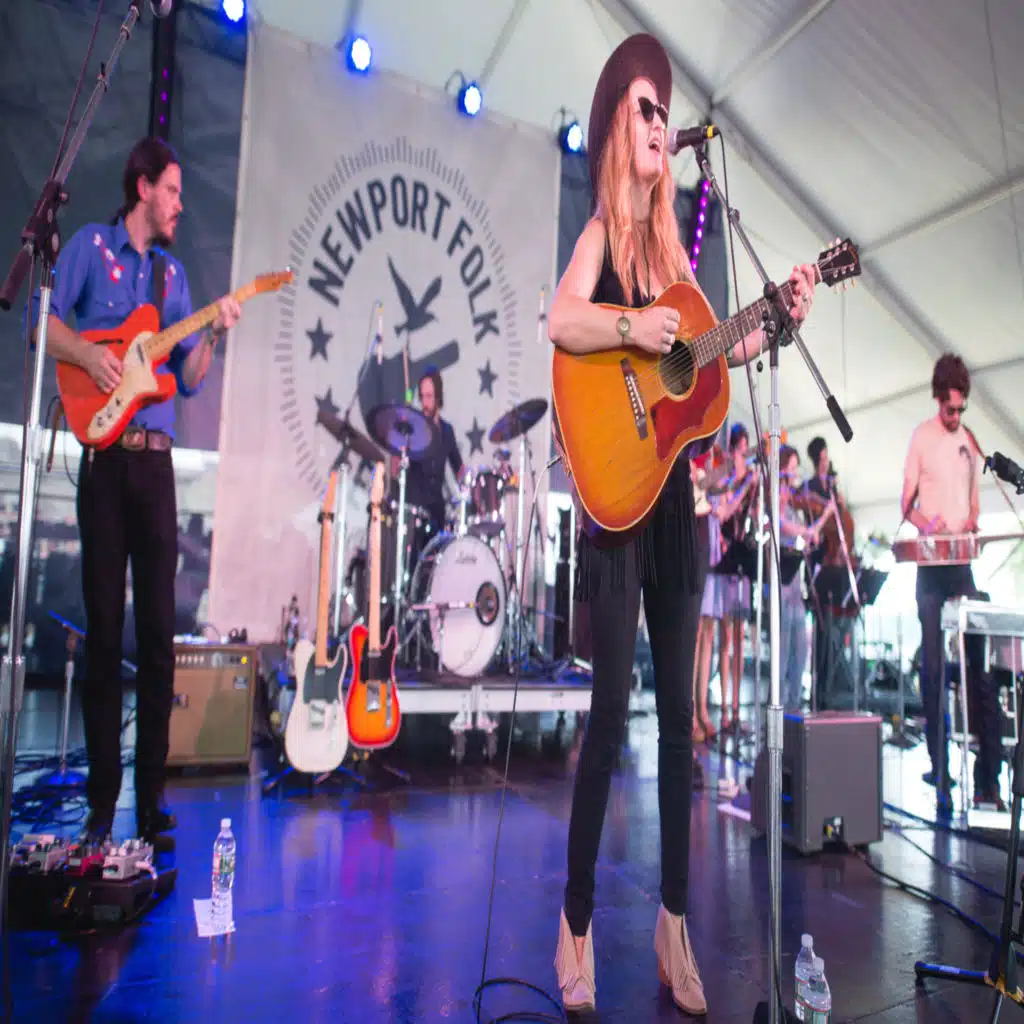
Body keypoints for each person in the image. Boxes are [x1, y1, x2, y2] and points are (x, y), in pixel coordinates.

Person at [547, 33, 816, 1015]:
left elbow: (708, 364)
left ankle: (673, 924)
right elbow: (561, 320)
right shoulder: (603, 241)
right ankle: (573, 920)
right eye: (647, 108)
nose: (662, 123)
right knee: (610, 720)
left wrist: (777, 314)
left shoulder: (683, 258)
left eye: (667, 109)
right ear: (621, 122)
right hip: (615, 512)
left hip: (679, 516)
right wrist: (632, 326)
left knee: (677, 735)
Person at [31, 137, 240, 847]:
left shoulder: (172, 277)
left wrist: (214, 331)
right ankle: (100, 803)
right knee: (102, 633)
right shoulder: (90, 246)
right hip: (103, 462)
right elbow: (42, 324)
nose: (181, 203)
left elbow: (190, 377)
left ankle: (150, 801)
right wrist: (89, 352)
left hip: (154, 467)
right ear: (145, 187)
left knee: (158, 636)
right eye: (174, 190)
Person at [901, 353, 1003, 812]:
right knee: (933, 672)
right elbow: (907, 504)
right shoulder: (922, 437)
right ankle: (939, 771)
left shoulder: (970, 441)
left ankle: (989, 780)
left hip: (962, 563)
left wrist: (972, 523)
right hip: (931, 565)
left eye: (961, 410)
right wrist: (928, 524)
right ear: (937, 399)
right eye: (949, 409)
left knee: (979, 668)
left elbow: (976, 502)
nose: (955, 417)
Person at [709, 423, 757, 732]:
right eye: (739, 449)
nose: (742, 455)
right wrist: (742, 483)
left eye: (744, 450)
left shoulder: (746, 481)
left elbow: (748, 514)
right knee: (726, 639)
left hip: (741, 561)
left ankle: (738, 706)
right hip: (724, 563)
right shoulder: (726, 476)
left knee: (740, 640)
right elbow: (724, 509)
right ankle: (725, 707)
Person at [778, 446, 816, 711]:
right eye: (792, 466)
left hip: (795, 581)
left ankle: (793, 704)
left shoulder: (793, 500)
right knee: (783, 647)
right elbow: (778, 523)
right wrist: (804, 530)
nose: (795, 472)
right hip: (780, 578)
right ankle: (778, 705)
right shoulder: (777, 495)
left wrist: (806, 539)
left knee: (801, 646)